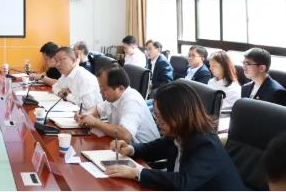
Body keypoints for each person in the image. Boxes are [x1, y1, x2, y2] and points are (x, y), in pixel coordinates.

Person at [106, 81, 246, 190]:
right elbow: (155, 148)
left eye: (161, 117)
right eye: (156, 116)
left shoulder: (207, 145)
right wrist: (131, 149)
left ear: (178, 115)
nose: (158, 122)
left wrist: (137, 173)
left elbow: (183, 182)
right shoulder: (179, 133)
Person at [75, 64, 159, 144]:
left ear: (120, 88)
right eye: (100, 87)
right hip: (126, 148)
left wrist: (95, 122)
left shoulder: (132, 101)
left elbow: (125, 135)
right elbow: (97, 109)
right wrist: (85, 114)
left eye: (104, 89)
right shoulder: (114, 97)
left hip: (144, 152)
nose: (100, 91)